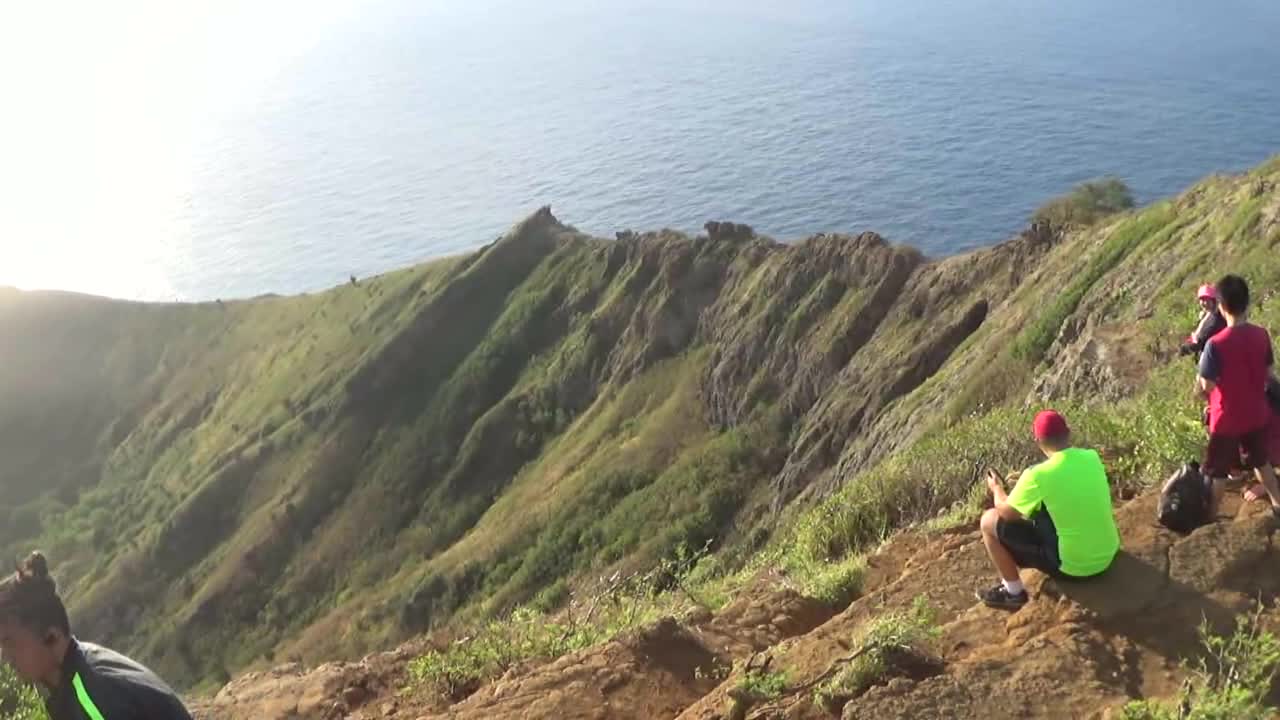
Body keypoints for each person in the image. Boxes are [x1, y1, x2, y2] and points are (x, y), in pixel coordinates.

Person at [0, 552, 193, 720]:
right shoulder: (81, 669)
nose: (5, 657)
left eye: (9, 642)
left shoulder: (93, 695)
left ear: (52, 636)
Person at [976, 410, 1120, 610]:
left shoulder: (1036, 475)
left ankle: (1013, 593)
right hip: (1108, 554)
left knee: (988, 521)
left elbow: (1006, 513)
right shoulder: (1091, 457)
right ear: (1068, 432)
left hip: (1074, 567)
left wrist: (997, 489)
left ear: (1038, 440)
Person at [1196, 275, 1280, 516]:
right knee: (1261, 462)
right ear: (1247, 303)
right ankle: (1278, 504)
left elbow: (1207, 385)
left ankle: (1211, 515)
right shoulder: (1261, 335)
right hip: (1256, 413)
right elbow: (1268, 373)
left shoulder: (1215, 344)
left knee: (1217, 472)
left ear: (1221, 306)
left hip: (1226, 418)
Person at [1180, 284, 1227, 359]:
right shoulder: (1210, 314)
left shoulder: (1215, 321)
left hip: (1214, 359)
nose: (1204, 303)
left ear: (1214, 300)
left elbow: (1198, 344)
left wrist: (1183, 349)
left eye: (1207, 300)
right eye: (1202, 299)